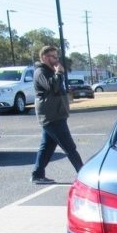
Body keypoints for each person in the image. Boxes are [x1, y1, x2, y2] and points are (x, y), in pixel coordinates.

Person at [30, 45, 83, 184]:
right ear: (44, 57)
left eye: (57, 56)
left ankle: (37, 174)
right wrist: (59, 73)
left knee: (47, 147)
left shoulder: (49, 71)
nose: (56, 59)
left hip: (56, 114)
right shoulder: (41, 72)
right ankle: (83, 175)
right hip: (51, 116)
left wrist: (57, 73)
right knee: (69, 147)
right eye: (53, 56)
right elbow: (53, 86)